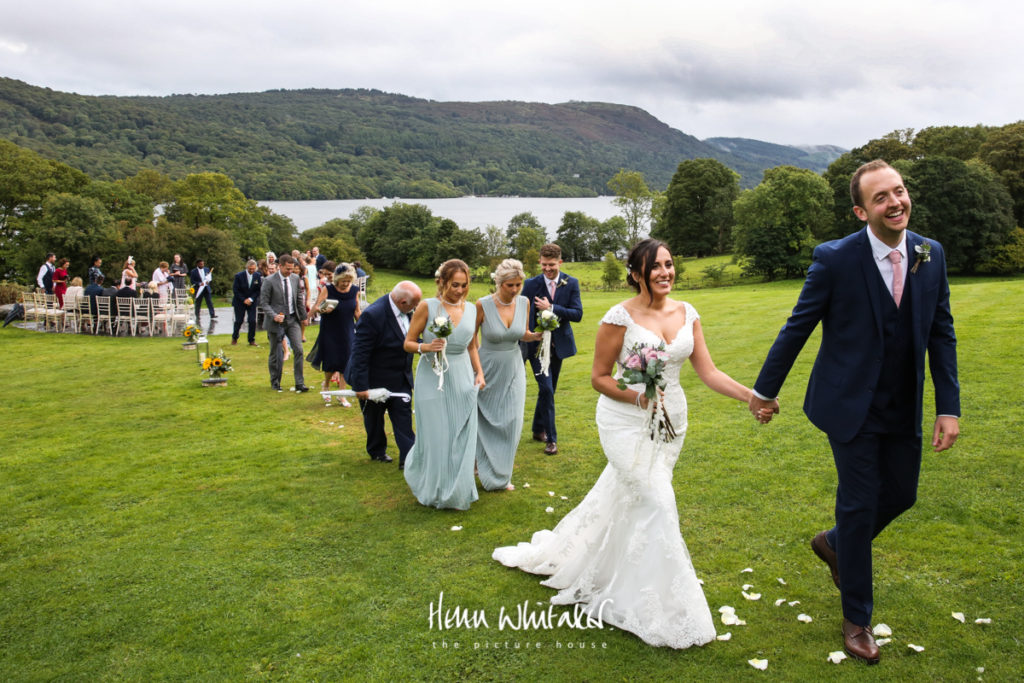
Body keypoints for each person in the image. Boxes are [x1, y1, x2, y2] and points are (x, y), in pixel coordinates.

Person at [494, 238, 760, 649]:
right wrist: (639, 396)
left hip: (671, 423)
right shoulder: (619, 317)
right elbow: (599, 377)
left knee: (633, 499)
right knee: (657, 500)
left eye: (669, 264)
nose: (665, 272)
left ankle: (605, 563)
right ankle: (667, 608)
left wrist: (751, 397)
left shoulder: (688, 313)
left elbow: (707, 371)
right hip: (624, 421)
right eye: (655, 266)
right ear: (636, 273)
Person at [748, 160, 960, 665]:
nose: (896, 202)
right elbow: (796, 327)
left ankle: (836, 543)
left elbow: (941, 332)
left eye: (900, 191)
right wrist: (764, 391)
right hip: (848, 406)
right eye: (882, 197)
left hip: (902, 405)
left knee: (902, 495)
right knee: (860, 503)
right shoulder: (835, 258)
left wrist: (948, 407)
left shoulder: (931, 253)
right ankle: (857, 619)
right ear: (862, 210)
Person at [402, 260, 485, 509]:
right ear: (441, 282)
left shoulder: (471, 309)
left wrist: (479, 373)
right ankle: (435, 487)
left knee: (461, 434)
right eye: (454, 285)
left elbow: (472, 346)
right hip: (432, 377)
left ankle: (459, 487)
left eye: (464, 285)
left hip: (461, 376)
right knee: (438, 434)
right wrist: (426, 347)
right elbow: (407, 342)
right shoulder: (428, 307)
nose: (459, 290)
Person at [474, 259, 541, 491]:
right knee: (485, 418)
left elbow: (521, 333)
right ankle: (479, 461)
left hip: (513, 365)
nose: (514, 290)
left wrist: (537, 335)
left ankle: (501, 475)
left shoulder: (524, 302)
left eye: (518, 285)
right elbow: (471, 341)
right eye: (509, 285)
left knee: (512, 420)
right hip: (487, 366)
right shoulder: (482, 305)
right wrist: (477, 371)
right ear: (498, 283)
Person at [346, 281, 421, 466]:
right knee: (374, 419)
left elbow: (408, 337)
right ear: (402, 302)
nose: (417, 308)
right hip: (374, 378)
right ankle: (377, 450)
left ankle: (409, 459)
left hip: (400, 376)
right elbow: (360, 353)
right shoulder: (373, 315)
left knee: (403, 418)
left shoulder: (408, 312)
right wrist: (361, 386)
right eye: (414, 304)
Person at [519, 243, 583, 455]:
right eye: (544, 265)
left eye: (552, 265)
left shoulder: (571, 283)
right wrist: (527, 337)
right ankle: (551, 439)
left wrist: (552, 308)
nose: (547, 269)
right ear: (540, 261)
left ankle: (538, 429)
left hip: (558, 347)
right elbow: (524, 315)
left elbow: (577, 314)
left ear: (560, 262)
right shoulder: (529, 285)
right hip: (536, 347)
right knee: (546, 389)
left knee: (549, 390)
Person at [308, 263, 361, 406]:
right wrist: (323, 310)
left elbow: (356, 310)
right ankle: (326, 386)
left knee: (346, 361)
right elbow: (317, 306)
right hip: (330, 329)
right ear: (337, 279)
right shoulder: (328, 289)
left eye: (348, 281)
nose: (345, 284)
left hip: (347, 329)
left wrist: (362, 325)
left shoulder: (354, 290)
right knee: (331, 362)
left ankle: (341, 394)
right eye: (343, 281)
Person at [259, 254, 309, 393]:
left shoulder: (294, 278)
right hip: (276, 322)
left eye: (292, 269)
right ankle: (275, 382)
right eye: (287, 269)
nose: (290, 271)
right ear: (279, 266)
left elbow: (299, 299)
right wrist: (274, 316)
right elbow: (264, 302)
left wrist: (304, 317)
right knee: (276, 353)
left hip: (292, 319)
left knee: (299, 350)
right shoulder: (269, 281)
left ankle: (300, 383)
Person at [232, 259, 262, 346]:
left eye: (253, 269)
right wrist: (244, 300)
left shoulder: (257, 275)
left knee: (252, 321)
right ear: (247, 267)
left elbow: (257, 290)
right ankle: (234, 338)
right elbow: (236, 290)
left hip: (251, 302)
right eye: (250, 269)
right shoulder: (239, 276)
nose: (252, 271)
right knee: (239, 320)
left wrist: (251, 299)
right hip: (239, 302)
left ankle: (251, 340)